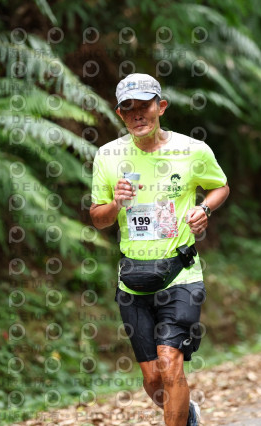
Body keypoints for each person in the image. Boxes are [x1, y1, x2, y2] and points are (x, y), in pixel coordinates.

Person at [90, 73, 230, 426]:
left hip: (181, 274)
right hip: (133, 280)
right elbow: (98, 219)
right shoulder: (107, 156)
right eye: (128, 108)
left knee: (170, 364)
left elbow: (220, 187)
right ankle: (188, 414)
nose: (138, 114)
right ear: (120, 114)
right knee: (153, 379)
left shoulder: (192, 150)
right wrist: (116, 204)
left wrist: (204, 209)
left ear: (161, 106)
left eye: (145, 105)